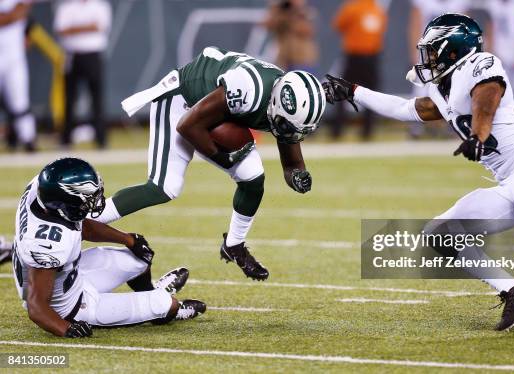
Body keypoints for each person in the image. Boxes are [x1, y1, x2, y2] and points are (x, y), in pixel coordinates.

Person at [324, 13, 514, 339]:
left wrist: (479, 135)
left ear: (453, 50)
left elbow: (485, 99)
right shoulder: (440, 86)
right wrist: (354, 91)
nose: (427, 58)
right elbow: (408, 110)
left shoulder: (482, 65)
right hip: (507, 182)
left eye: (433, 51)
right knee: (440, 234)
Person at [95, 46, 326, 282]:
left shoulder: (287, 106)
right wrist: (223, 157)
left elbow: (291, 163)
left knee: (253, 176)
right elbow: (188, 126)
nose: (290, 134)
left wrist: (298, 176)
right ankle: (93, 215)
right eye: (288, 127)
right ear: (276, 104)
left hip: (216, 111)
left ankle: (234, 245)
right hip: (182, 100)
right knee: (164, 187)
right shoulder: (248, 89)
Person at [12, 157, 205, 338]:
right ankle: (167, 307)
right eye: (87, 199)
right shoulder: (46, 244)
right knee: (166, 305)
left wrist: (128, 240)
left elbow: (81, 226)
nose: (94, 202)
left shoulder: (43, 191)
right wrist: (66, 328)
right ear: (65, 203)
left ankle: (152, 291)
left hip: (71, 276)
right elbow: (36, 307)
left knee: (140, 256)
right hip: (69, 306)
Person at [54, 0, 112, 149]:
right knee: (69, 98)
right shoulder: (66, 6)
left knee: (97, 98)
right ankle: (65, 139)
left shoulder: (100, 5)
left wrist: (74, 28)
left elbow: (100, 27)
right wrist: (87, 26)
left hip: (93, 55)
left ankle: (101, 140)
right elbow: (61, 29)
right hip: (73, 55)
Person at [407, 0, 469, 137]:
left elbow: (465, 28)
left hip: (450, 53)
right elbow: (415, 24)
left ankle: (454, 125)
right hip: (427, 52)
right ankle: (415, 126)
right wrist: (414, 51)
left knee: (454, 90)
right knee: (420, 89)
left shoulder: (459, 4)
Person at [332, 0, 387, 140]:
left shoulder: (352, 8)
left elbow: (338, 25)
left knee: (343, 91)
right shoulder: (377, 9)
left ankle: (337, 130)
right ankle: (367, 130)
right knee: (372, 95)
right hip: (371, 56)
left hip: (354, 56)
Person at [0, 0, 36, 152]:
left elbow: (23, 12)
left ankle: (28, 139)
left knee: (20, 101)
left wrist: (12, 15)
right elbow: (14, 15)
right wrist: (12, 15)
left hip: (14, 58)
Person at [264, 0, 319, 73]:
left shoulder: (304, 13)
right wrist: (277, 10)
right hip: (285, 59)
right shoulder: (280, 13)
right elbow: (268, 25)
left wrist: (295, 13)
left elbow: (307, 30)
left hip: (303, 60)